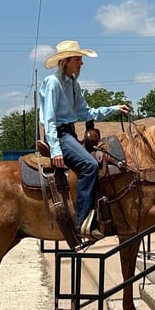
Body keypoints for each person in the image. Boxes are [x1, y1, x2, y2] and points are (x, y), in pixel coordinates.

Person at [39, 40, 129, 241]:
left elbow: (86, 112)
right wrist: (55, 149)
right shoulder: (53, 83)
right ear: (66, 61)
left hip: (69, 133)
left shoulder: (73, 84)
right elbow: (49, 118)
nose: (82, 63)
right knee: (90, 165)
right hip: (60, 135)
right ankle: (82, 224)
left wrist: (113, 108)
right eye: (78, 59)